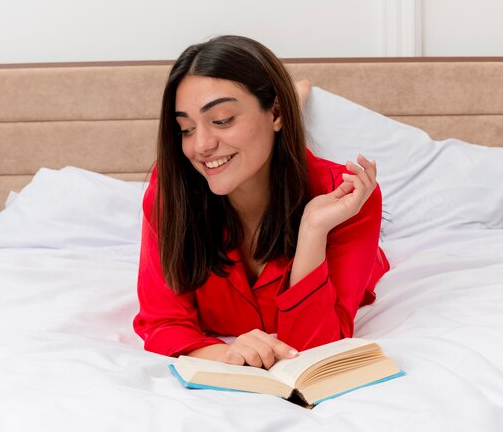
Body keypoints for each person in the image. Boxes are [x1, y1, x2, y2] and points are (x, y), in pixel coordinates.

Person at [133, 35, 390, 369]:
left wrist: (312, 231)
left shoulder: (346, 198)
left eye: (222, 120)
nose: (201, 146)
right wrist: (228, 354)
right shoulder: (170, 195)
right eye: (185, 128)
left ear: (276, 112)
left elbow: (316, 348)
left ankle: (292, 101)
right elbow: (162, 323)